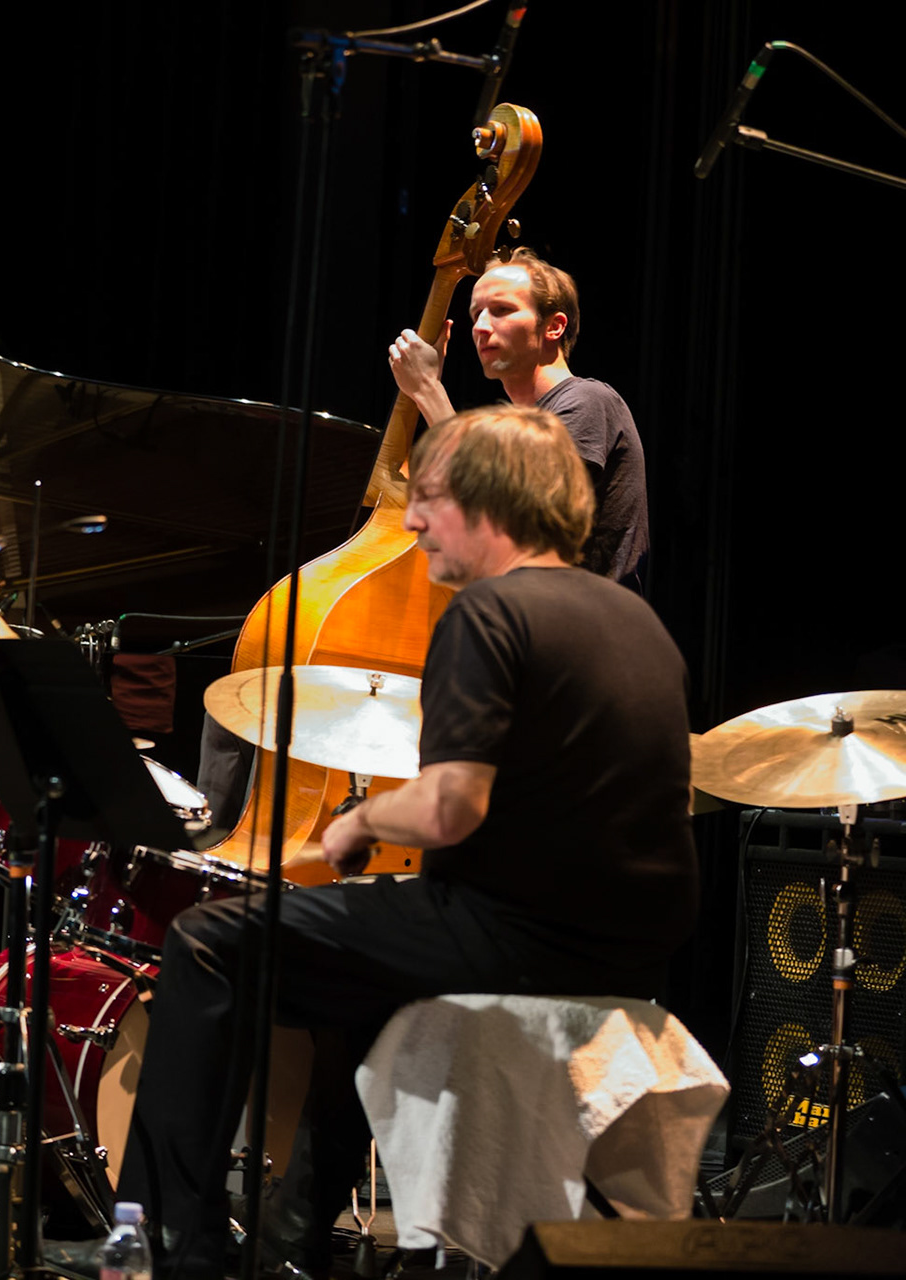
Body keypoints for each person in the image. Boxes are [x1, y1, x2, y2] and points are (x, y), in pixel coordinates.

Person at [117, 405, 697, 1277]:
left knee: (208, 943)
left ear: (489, 500)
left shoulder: (491, 613)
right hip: (628, 955)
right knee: (367, 976)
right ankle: (293, 1238)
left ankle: (167, 1244)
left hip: (512, 941)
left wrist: (358, 823)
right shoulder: (636, 623)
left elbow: (449, 808)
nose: (415, 521)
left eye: (430, 500)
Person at [388, 247, 650, 591]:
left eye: (501, 311)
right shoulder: (512, 427)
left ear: (554, 326)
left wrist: (427, 388)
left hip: (579, 632)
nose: (481, 327)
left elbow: (511, 508)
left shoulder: (588, 401)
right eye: (476, 314)